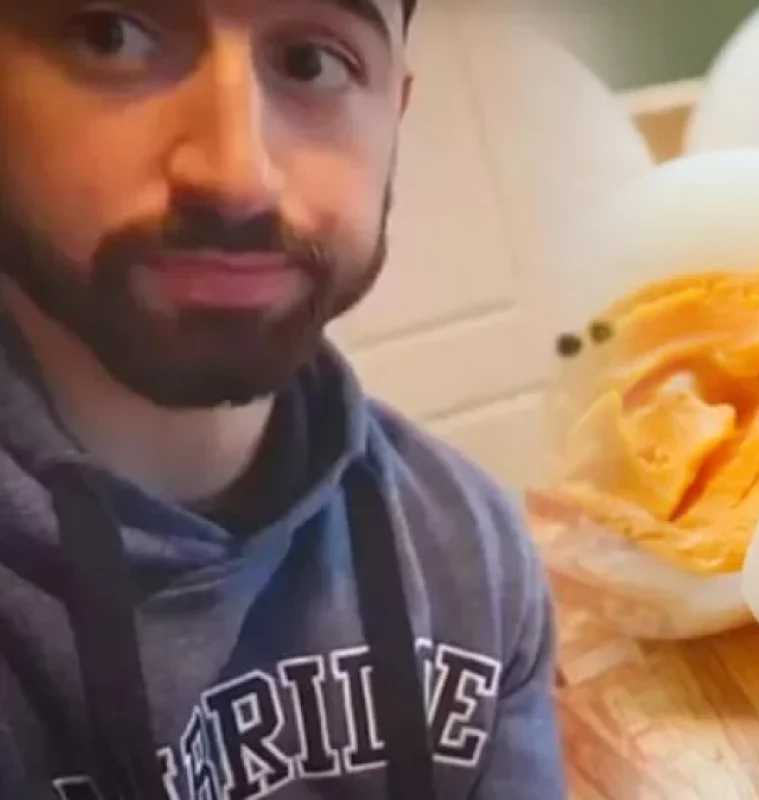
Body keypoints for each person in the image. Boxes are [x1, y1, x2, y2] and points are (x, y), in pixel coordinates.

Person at [0, 0, 565, 797]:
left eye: (312, 61)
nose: (236, 176)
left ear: (393, 117)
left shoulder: (474, 563)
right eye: (111, 36)